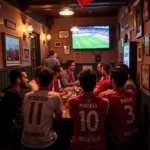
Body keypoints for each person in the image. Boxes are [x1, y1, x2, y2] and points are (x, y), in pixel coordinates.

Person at [22, 67, 62, 150]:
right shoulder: (55, 96)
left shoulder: (26, 96)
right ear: (51, 82)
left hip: (25, 141)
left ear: (38, 80)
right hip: (45, 142)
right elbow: (59, 118)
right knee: (63, 130)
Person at [69, 69, 109, 150]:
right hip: (99, 145)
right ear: (95, 84)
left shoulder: (72, 101)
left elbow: (73, 118)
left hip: (78, 145)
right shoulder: (105, 102)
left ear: (80, 84)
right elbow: (104, 120)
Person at [100, 67, 139, 150]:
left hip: (119, 139)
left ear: (112, 81)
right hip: (135, 135)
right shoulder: (131, 93)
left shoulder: (107, 96)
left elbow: (103, 119)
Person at [0, 68, 29, 150]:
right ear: (18, 80)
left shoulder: (7, 90)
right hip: (9, 131)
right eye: (25, 77)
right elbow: (26, 112)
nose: (28, 79)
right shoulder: (15, 94)